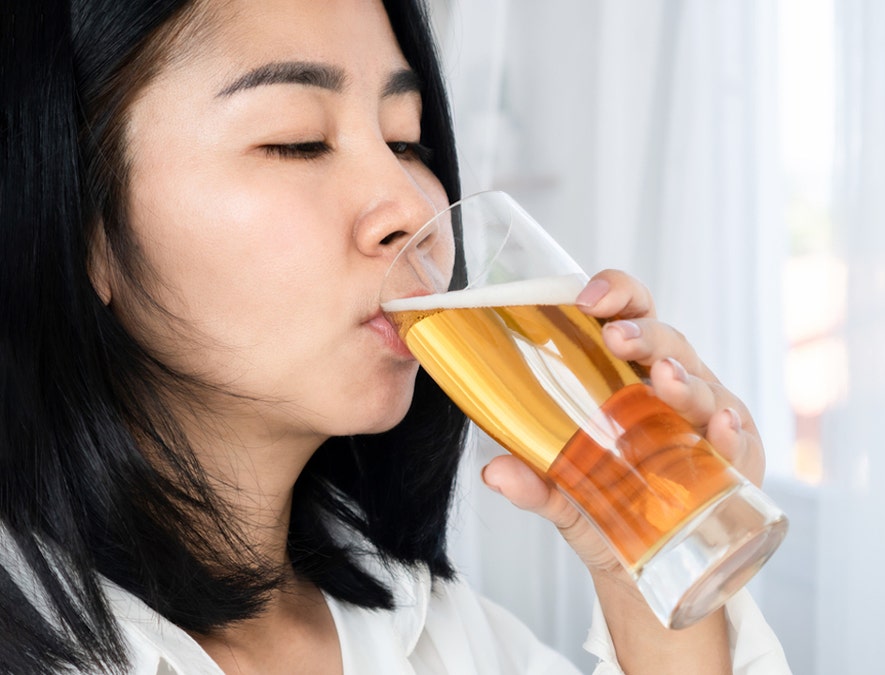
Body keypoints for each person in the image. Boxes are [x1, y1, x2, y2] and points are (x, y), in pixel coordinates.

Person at [0, 0, 791, 673]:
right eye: (297, 140)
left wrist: (641, 576)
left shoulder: (442, 637)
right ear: (81, 229)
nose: (410, 208)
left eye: (406, 139)